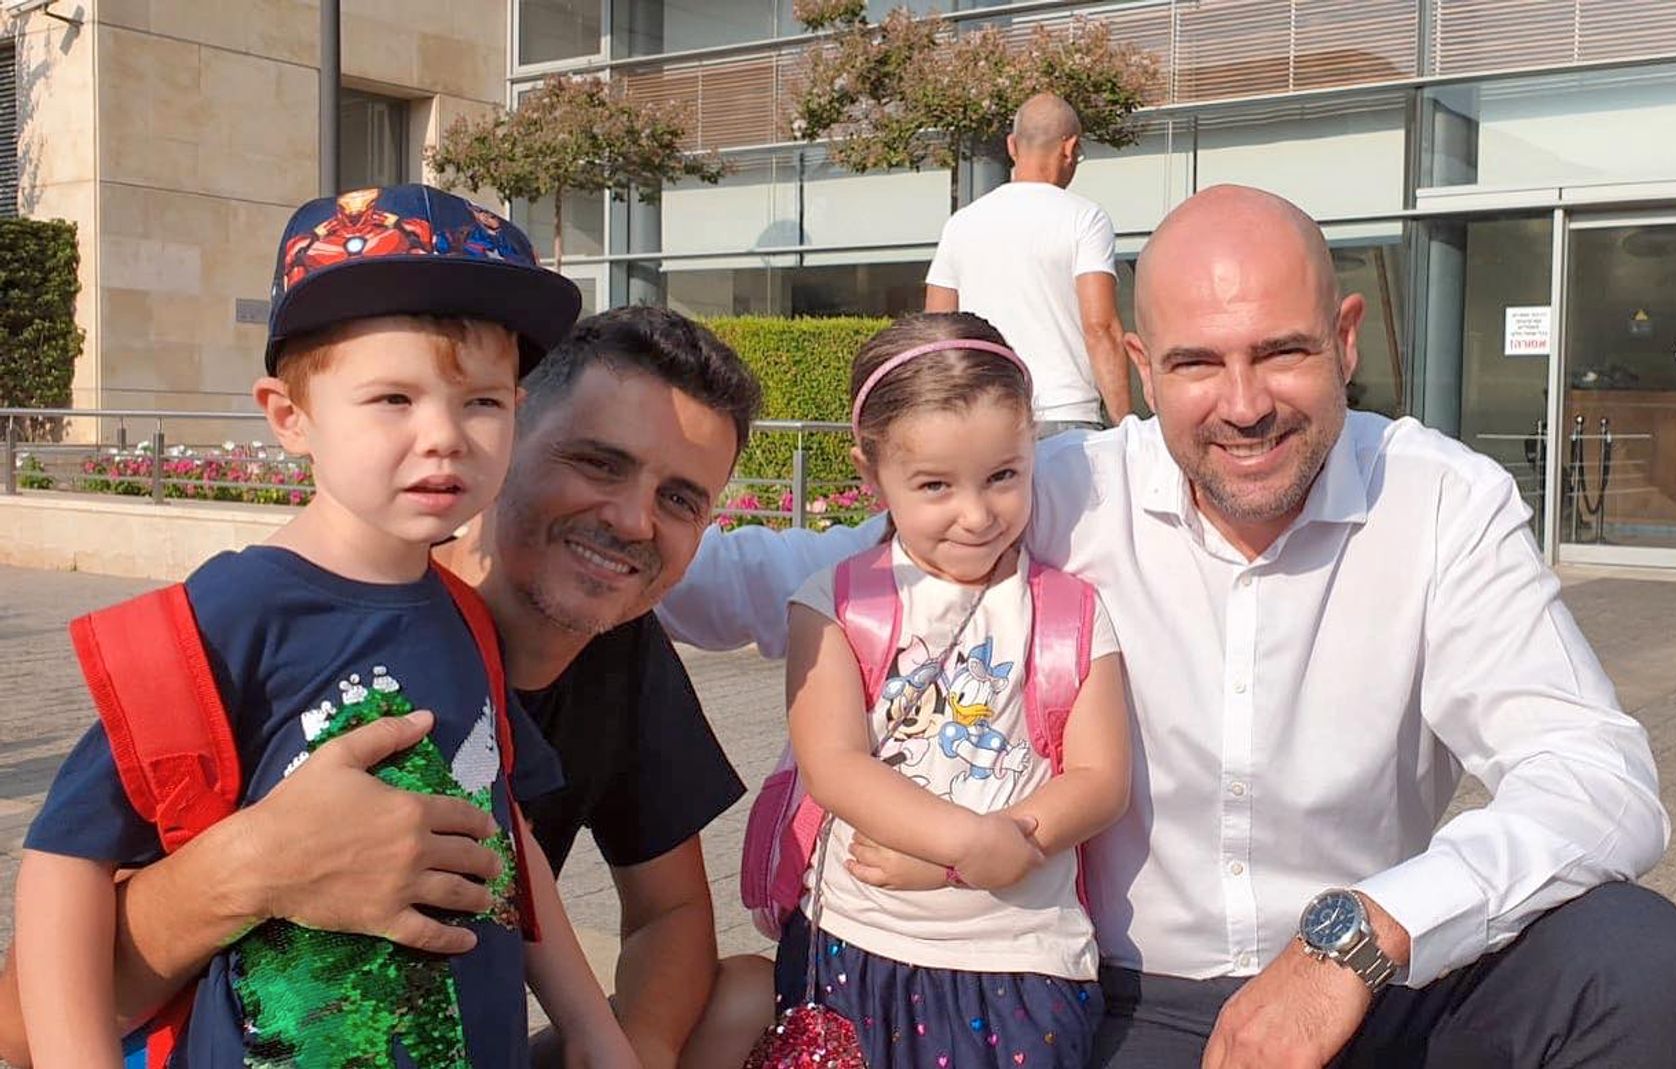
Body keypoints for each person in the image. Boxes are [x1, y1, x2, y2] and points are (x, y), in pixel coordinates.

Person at [659, 184, 1676, 1066]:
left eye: (1283, 351)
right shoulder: (1059, 490)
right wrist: (602, 553)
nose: (1244, 403)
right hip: (1131, 999)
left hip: (1373, 984)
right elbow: (807, 578)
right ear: (1139, 362)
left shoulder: (1441, 502)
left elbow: (1595, 776)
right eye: (1198, 363)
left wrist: (1372, 930)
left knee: (1637, 960)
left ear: (1346, 337)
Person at [0, 306, 773, 1069]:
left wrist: (623, 1045)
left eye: (680, 497)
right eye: (599, 462)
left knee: (747, 995)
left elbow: (661, 906)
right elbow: (19, 1018)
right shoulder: (255, 619)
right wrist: (257, 864)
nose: (634, 520)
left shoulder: (610, 649)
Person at [772, 313, 1131, 1067]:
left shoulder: (1071, 612)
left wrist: (965, 860)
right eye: (935, 485)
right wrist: (970, 845)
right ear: (870, 472)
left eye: (1003, 476)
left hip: (1023, 958)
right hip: (853, 945)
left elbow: (1101, 779)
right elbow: (833, 765)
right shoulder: (834, 603)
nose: (977, 514)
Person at [925, 92, 1133, 437]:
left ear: (1012, 146)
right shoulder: (1085, 218)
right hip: (1066, 412)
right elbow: (1101, 328)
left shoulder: (960, 224)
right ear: (1070, 148)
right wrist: (1125, 427)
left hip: (987, 417)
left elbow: (937, 330)